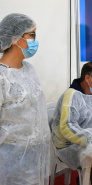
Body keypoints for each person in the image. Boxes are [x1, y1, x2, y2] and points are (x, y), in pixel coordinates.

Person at [0, 13, 50, 185]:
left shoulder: (29, 69)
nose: (35, 41)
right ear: (15, 39)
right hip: (11, 160)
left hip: (36, 155)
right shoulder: (1, 77)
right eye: (32, 35)